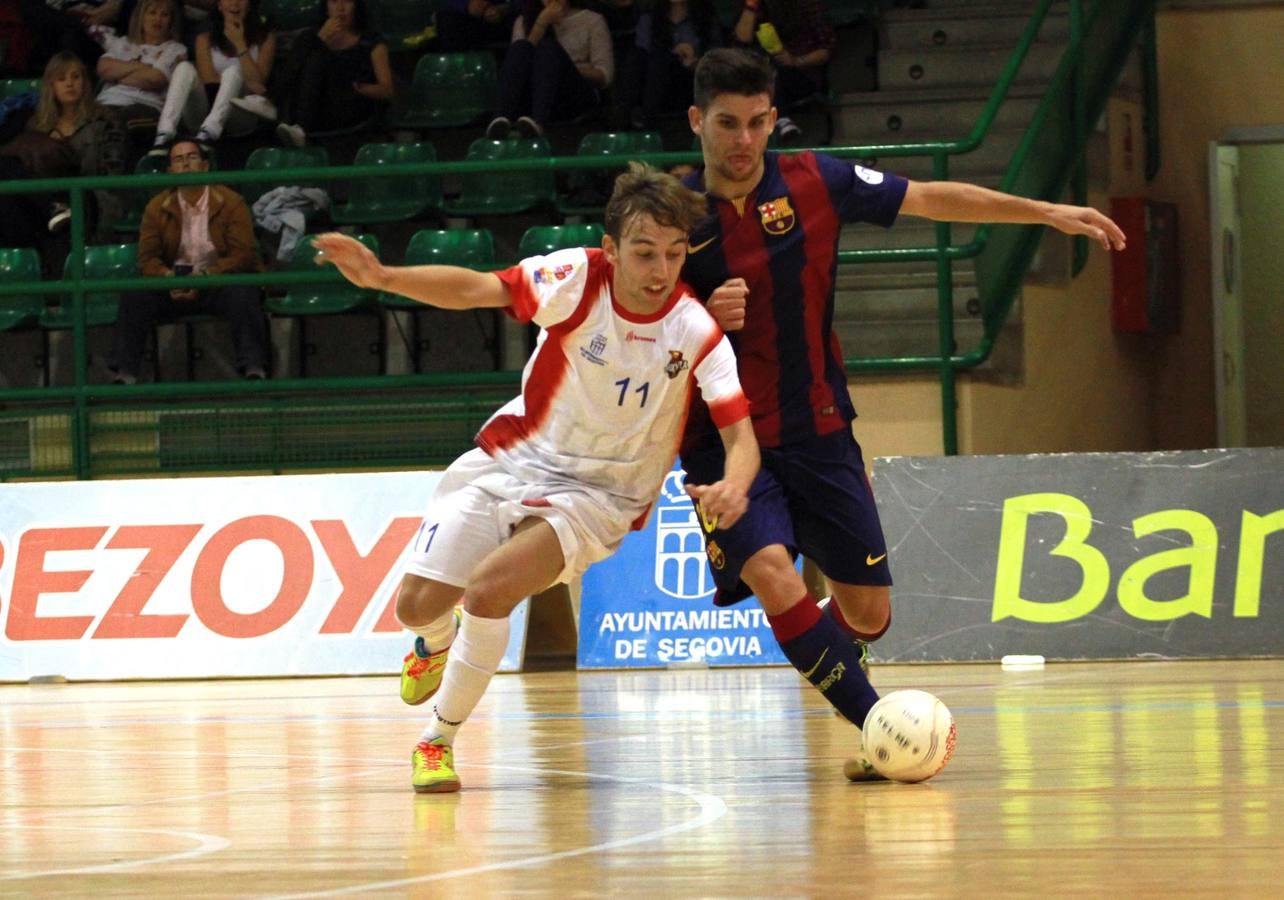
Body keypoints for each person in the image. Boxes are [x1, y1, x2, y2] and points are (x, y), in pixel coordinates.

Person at [679, 48, 1127, 778]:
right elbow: (632, 299)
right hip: (724, 439)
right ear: (698, 120)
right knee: (770, 569)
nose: (743, 141)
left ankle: (855, 684)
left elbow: (932, 197)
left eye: (758, 122)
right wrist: (697, 307)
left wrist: (1044, 212)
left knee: (868, 613)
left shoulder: (815, 181)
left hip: (819, 425)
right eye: (727, 124)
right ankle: (880, 724)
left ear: (771, 119)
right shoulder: (673, 209)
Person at [313, 162, 759, 793]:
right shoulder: (576, 280)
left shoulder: (694, 330)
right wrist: (384, 277)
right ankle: (435, 642)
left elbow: (742, 434)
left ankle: (437, 740)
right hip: (514, 456)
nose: (661, 271)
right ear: (610, 249)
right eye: (644, 253)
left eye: (674, 253)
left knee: (490, 591)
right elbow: (477, 289)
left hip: (602, 494)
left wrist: (737, 482)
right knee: (416, 606)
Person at [109, 138, 269, 383]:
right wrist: (167, 278)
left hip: (217, 282)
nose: (186, 164)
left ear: (205, 166)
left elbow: (243, 255)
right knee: (134, 294)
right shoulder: (156, 207)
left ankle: (254, 368)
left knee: (244, 291)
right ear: (170, 171)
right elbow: (147, 259)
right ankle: (125, 372)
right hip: (173, 284)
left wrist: (206, 276)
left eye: (192, 157)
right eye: (178, 160)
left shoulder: (231, 202)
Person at [0, 50, 127, 252]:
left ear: (85, 82)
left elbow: (112, 176)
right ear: (51, 85)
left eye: (75, 77)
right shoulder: (36, 124)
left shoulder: (106, 120)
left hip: (88, 197)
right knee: (6, 167)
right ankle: (51, 207)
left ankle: (54, 207)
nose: (69, 83)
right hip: (42, 207)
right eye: (61, 78)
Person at [151, 0, 277, 151]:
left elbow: (259, 85)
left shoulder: (265, 38)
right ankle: (164, 134)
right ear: (219, 5)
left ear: (249, 4)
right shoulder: (204, 39)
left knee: (233, 72)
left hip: (242, 116)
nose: (235, 4)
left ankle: (210, 133)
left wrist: (239, 43)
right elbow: (210, 84)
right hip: (205, 110)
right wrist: (243, 83)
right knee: (184, 67)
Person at [272, 0, 393, 147]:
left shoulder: (371, 41)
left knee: (318, 58)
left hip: (350, 104)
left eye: (347, 2)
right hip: (314, 106)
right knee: (314, 55)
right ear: (326, 7)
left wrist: (359, 87)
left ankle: (300, 127)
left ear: (357, 7)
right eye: (334, 1)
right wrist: (320, 39)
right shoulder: (308, 37)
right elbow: (287, 78)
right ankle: (297, 126)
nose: (340, 8)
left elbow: (387, 90)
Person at [486, 0, 612, 139]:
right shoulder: (523, 21)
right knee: (521, 47)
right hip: (531, 94)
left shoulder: (592, 20)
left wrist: (564, 66)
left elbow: (604, 76)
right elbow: (519, 64)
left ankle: (538, 123)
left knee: (548, 49)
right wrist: (541, 23)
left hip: (572, 93)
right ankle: (499, 121)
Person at [91, 0, 186, 161]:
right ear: (141, 17)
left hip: (144, 105)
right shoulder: (123, 43)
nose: (158, 19)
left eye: (164, 15)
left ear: (171, 21)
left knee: (114, 122)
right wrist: (144, 67)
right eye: (152, 13)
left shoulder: (175, 49)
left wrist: (119, 74)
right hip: (107, 102)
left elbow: (156, 79)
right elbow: (103, 68)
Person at [731, 0, 834, 143]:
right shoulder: (757, 8)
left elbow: (825, 51)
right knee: (756, 60)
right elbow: (742, 39)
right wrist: (751, 5)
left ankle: (781, 119)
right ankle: (782, 120)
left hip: (801, 74)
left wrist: (795, 60)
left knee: (766, 67)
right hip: (763, 74)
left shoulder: (809, 4)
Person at [613, 0, 721, 131]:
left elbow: (716, 63)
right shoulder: (649, 19)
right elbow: (641, 61)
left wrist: (694, 61)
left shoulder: (707, 18)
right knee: (650, 61)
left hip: (691, 83)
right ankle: (629, 124)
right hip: (655, 86)